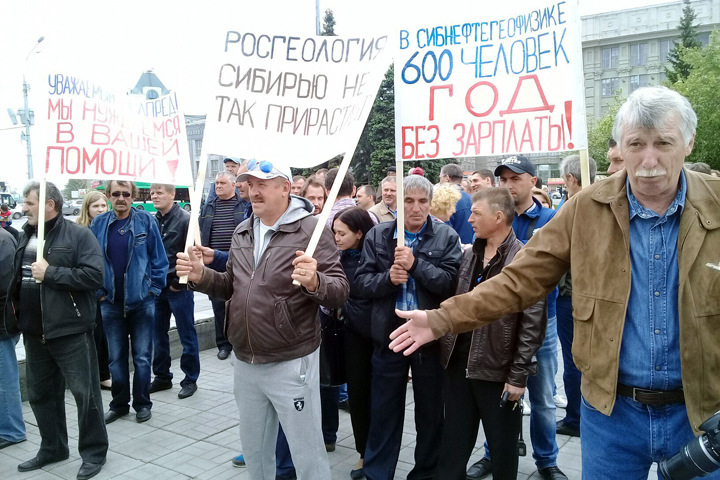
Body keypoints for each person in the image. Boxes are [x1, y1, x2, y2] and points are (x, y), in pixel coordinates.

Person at [390, 86, 720, 479]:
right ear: (621, 146)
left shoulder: (716, 204)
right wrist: (443, 318)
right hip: (611, 414)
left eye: (663, 143)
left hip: (702, 414)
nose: (649, 159)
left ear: (688, 142)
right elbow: (520, 278)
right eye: (636, 144)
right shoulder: (586, 208)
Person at [176, 158, 349, 480]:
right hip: (245, 360)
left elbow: (339, 291)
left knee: (307, 453)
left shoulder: (312, 230)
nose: (253, 191)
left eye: (262, 185)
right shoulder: (243, 230)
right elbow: (231, 285)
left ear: (285, 188)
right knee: (255, 452)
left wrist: (315, 282)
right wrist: (202, 276)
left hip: (290, 360)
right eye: (250, 184)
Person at [354, 174, 462, 480]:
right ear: (397, 203)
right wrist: (387, 279)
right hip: (389, 333)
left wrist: (416, 265)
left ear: (430, 203)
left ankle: (426, 473)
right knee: (384, 410)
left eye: (422, 201)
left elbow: (451, 284)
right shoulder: (378, 235)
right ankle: (377, 472)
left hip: (428, 336)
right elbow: (360, 283)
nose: (416, 208)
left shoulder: (446, 236)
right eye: (409, 201)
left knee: (431, 412)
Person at [466, 155, 566, 480]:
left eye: (515, 178)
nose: (508, 185)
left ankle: (547, 461)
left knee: (542, 397)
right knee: (498, 398)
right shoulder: (490, 216)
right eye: (503, 179)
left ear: (533, 181)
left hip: (540, 322)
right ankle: (493, 454)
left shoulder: (551, 218)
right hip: (496, 326)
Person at [438, 188, 546, 480]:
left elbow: (533, 323)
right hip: (458, 366)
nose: (469, 218)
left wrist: (518, 375)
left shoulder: (524, 258)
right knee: (452, 448)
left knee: (503, 451)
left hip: (498, 371)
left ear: (498, 217)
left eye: (476, 213)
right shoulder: (470, 253)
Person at [13, 181, 108, 479]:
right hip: (34, 332)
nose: (24, 208)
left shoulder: (79, 235)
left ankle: (94, 453)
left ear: (49, 205)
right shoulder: (26, 234)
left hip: (70, 331)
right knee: (41, 394)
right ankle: (53, 448)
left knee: (85, 395)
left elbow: (95, 276)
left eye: (29, 203)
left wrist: (50, 272)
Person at [90, 180, 168, 424]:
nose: (121, 198)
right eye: (116, 194)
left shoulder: (146, 221)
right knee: (115, 359)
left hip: (142, 302)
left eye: (126, 193)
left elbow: (159, 259)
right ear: (108, 195)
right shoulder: (98, 224)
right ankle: (119, 405)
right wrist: (98, 293)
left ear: (133, 196)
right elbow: (90, 261)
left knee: (142, 358)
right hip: (110, 302)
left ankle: (142, 404)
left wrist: (153, 290)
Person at [555, 154, 598, 439]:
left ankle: (576, 417)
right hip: (591, 293)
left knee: (574, 360)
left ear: (571, 178)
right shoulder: (603, 202)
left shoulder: (575, 206)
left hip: (572, 295)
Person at [332, 207, 377, 480]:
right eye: (334, 232)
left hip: (380, 336)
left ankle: (380, 451)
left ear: (359, 233)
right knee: (358, 396)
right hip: (352, 337)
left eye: (342, 233)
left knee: (381, 398)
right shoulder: (335, 259)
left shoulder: (378, 256)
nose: (336, 238)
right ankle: (363, 451)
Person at [149, 184, 200, 399]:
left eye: (159, 192)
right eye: (152, 193)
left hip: (178, 288)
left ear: (172, 194)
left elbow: (195, 254)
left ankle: (190, 379)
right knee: (157, 334)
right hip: (157, 287)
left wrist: (179, 282)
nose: (154, 196)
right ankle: (162, 376)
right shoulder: (152, 220)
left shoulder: (186, 220)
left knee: (186, 333)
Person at [199, 172, 246, 360]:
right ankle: (223, 344)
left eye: (222, 183)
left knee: (240, 304)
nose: (218, 186)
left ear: (234, 185)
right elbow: (202, 231)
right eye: (216, 183)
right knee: (218, 306)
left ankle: (240, 341)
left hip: (239, 263)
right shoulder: (209, 207)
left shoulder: (243, 205)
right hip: (214, 264)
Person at [76, 191, 112, 391]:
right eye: (95, 206)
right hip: (88, 292)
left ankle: (103, 374)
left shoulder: (111, 227)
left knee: (103, 336)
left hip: (107, 293)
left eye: (103, 205)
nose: (100, 210)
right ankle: (95, 376)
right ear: (87, 208)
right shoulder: (80, 231)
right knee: (92, 336)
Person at [0, 227, 25, 450]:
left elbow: (6, 288)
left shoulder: (3, 241)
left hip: (2, 323)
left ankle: (12, 430)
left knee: (5, 378)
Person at [439, 163, 475, 243]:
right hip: (471, 246)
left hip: (452, 247)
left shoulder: (444, 200)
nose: (439, 181)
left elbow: (443, 232)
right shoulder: (471, 199)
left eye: (440, 177)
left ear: (447, 178)